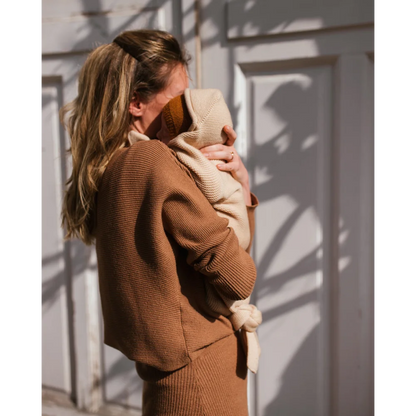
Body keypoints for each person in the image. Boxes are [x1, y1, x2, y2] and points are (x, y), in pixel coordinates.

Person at [60, 29, 259, 416]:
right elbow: (239, 276)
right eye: (176, 102)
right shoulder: (152, 162)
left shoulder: (114, 169)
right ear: (136, 103)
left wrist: (236, 187)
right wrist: (234, 191)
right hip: (204, 378)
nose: (186, 112)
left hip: (172, 378)